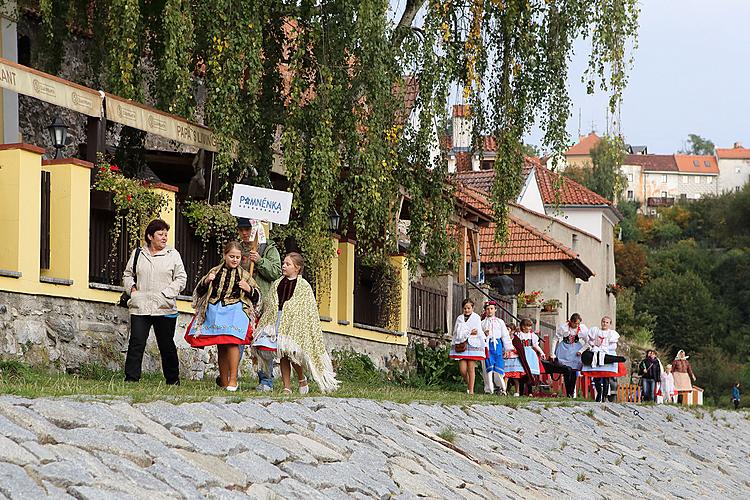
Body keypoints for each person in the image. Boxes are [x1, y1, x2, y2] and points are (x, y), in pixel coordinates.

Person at [253, 252, 339, 394]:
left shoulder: (304, 286)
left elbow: (306, 308)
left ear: (297, 268)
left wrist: (291, 310)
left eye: (288, 264)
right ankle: (286, 386)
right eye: (284, 263)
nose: (284, 266)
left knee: (293, 353)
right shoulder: (277, 283)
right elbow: (270, 302)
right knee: (282, 355)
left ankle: (301, 378)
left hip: (295, 324)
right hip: (277, 320)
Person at [184, 241, 261, 391]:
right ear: (225, 255)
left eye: (237, 257)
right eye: (231, 256)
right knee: (221, 345)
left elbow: (257, 297)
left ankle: (233, 380)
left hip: (236, 311)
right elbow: (199, 292)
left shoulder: (245, 275)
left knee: (232, 341)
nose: (234, 260)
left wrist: (249, 289)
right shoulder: (214, 271)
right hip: (216, 310)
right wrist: (206, 281)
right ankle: (224, 380)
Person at [123, 219, 187, 385]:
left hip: (164, 307)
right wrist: (132, 291)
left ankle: (173, 380)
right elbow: (127, 274)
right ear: (150, 236)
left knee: (166, 345)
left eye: (166, 234)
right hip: (140, 306)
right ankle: (131, 378)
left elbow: (181, 278)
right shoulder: (138, 253)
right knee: (136, 342)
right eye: (160, 234)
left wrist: (166, 294)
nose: (165, 237)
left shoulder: (173, 255)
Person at [237, 218, 282, 392]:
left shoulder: (268, 248)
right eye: (241, 230)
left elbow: (276, 272)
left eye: (247, 229)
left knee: (262, 343)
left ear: (255, 229)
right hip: (241, 300)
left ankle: (266, 381)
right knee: (238, 338)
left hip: (263, 303)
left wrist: (260, 260)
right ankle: (230, 377)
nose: (244, 233)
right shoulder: (237, 248)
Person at [580, 316, 626, 402]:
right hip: (596, 353)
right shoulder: (596, 331)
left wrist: (606, 347)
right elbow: (590, 341)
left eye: (607, 322)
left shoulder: (612, 333)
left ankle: (604, 396)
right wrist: (594, 345)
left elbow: (614, 345)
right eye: (603, 321)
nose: (605, 323)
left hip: (607, 353)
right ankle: (599, 393)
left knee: (606, 376)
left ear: (610, 324)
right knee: (596, 376)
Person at [449, 298, 485, 395]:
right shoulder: (460, 318)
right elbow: (457, 331)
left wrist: (471, 333)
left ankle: (471, 390)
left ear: (472, 308)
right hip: (462, 344)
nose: (467, 310)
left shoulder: (476, 317)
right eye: (465, 308)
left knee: (471, 367)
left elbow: (477, 330)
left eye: (469, 308)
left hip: (473, 344)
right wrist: (467, 332)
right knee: (463, 370)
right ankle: (469, 384)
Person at [503, 318, 545, 396]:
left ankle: (530, 392)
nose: (529, 328)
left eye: (530, 326)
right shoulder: (518, 335)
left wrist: (542, 353)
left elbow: (535, 345)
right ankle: (520, 392)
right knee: (521, 372)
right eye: (527, 326)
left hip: (530, 354)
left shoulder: (532, 335)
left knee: (529, 372)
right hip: (521, 353)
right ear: (522, 327)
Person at [550, 313, 587, 397]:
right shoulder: (564, 328)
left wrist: (581, 350)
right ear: (571, 322)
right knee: (567, 370)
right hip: (564, 350)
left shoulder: (582, 329)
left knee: (574, 371)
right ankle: (568, 392)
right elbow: (555, 339)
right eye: (575, 323)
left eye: (578, 323)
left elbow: (588, 342)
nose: (577, 325)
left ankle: (571, 393)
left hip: (576, 351)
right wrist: (552, 353)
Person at [481, 301, 512, 395]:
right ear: (485, 310)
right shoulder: (482, 323)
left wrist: (507, 349)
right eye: (487, 309)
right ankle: (489, 388)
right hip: (487, 345)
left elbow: (505, 335)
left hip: (497, 345)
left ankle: (501, 388)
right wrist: (484, 334)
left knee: (498, 366)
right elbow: (478, 335)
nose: (489, 311)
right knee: (487, 366)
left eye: (491, 308)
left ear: (495, 310)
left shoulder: (500, 322)